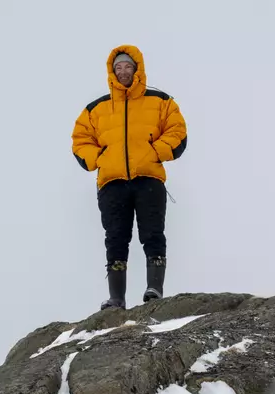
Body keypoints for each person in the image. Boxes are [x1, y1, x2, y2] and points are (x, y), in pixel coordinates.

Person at [71, 45, 188, 311]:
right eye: (118, 68)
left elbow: (177, 131)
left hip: (148, 179)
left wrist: (154, 152)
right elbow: (80, 140)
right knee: (115, 237)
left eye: (128, 66)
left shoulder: (161, 101)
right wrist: (98, 158)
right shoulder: (96, 109)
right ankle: (117, 299)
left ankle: (154, 290)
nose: (123, 71)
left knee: (153, 233)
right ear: (112, 72)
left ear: (137, 69)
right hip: (112, 184)